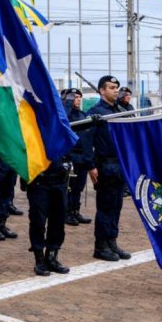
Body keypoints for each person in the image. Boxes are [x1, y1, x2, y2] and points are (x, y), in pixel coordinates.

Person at [87, 76, 131, 262]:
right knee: (105, 207)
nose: (116, 90)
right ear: (102, 90)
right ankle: (101, 245)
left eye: (117, 87)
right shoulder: (95, 113)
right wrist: (90, 167)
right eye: (112, 87)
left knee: (116, 206)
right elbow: (86, 141)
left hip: (119, 165)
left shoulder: (120, 111)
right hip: (105, 165)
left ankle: (112, 241)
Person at [22, 154, 72, 276]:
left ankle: (51, 257)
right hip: (39, 181)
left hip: (59, 180)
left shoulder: (59, 133)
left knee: (58, 221)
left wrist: (69, 162)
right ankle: (39, 260)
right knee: (38, 221)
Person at [63, 88, 93, 225]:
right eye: (75, 97)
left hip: (82, 156)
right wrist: (67, 104)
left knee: (79, 187)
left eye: (80, 97)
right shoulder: (66, 113)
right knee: (70, 186)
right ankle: (67, 213)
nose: (78, 99)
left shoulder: (82, 114)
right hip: (71, 155)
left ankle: (75, 211)